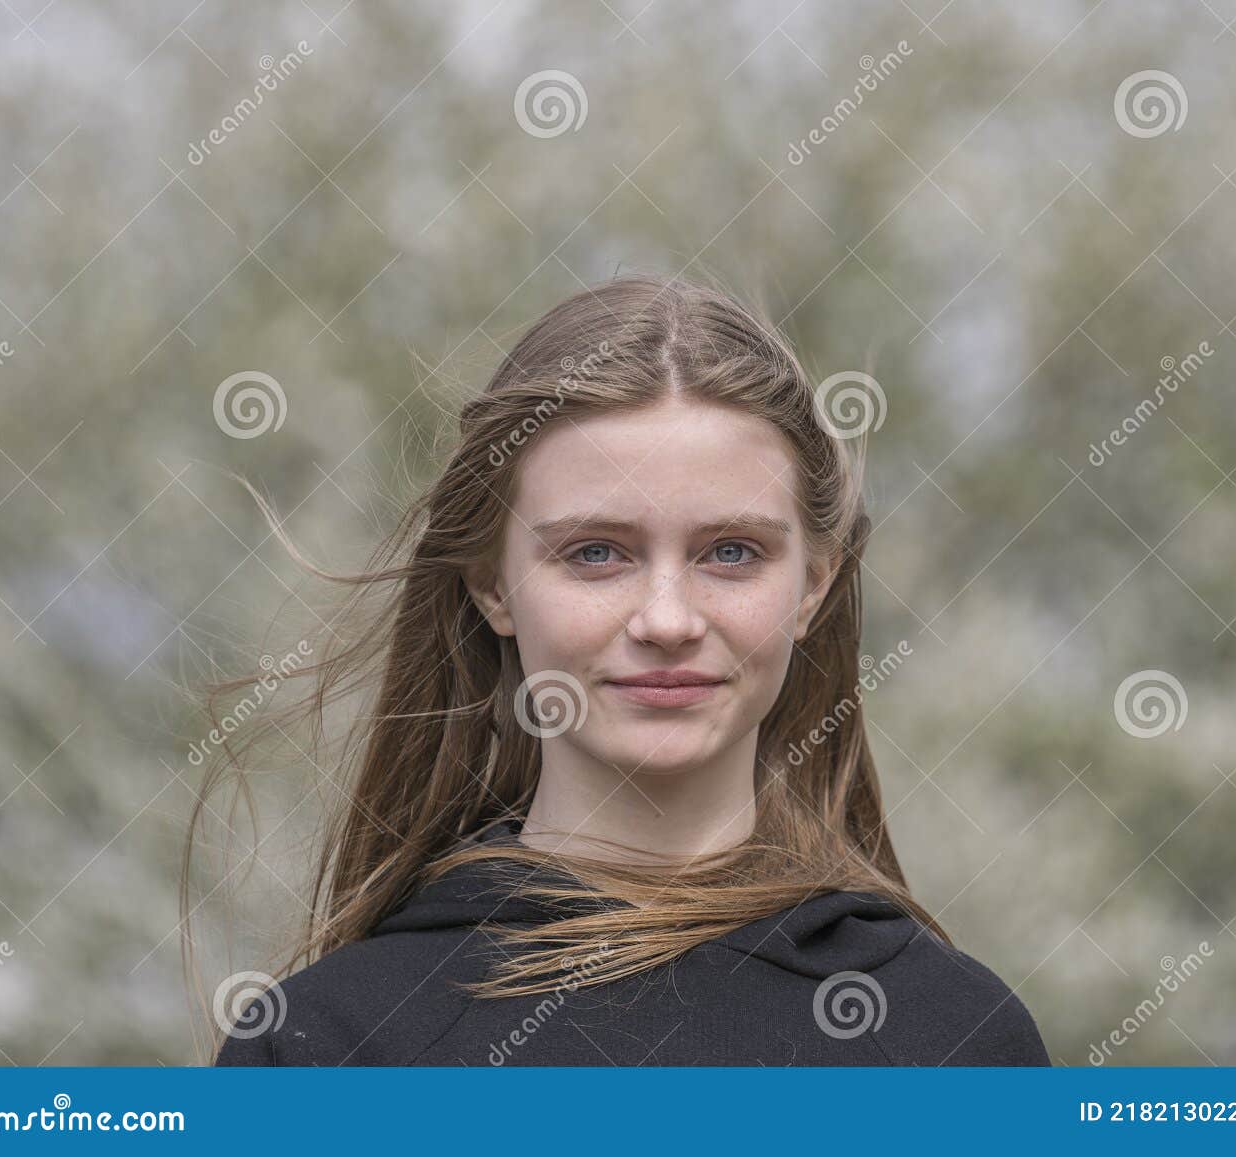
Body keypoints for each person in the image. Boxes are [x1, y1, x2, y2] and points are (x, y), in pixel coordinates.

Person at [202, 274, 1049, 1066]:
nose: (668, 620)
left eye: (731, 551)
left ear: (813, 585)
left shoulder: (954, 1040)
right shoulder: (326, 1046)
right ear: (494, 585)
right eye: (596, 552)